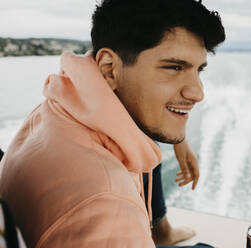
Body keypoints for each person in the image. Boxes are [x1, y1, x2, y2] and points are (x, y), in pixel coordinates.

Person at [0, 0, 225, 247]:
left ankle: (160, 232)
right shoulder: (109, 206)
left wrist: (180, 139)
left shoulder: (65, 100)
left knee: (143, 140)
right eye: (174, 67)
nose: (198, 93)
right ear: (109, 68)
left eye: (198, 70)